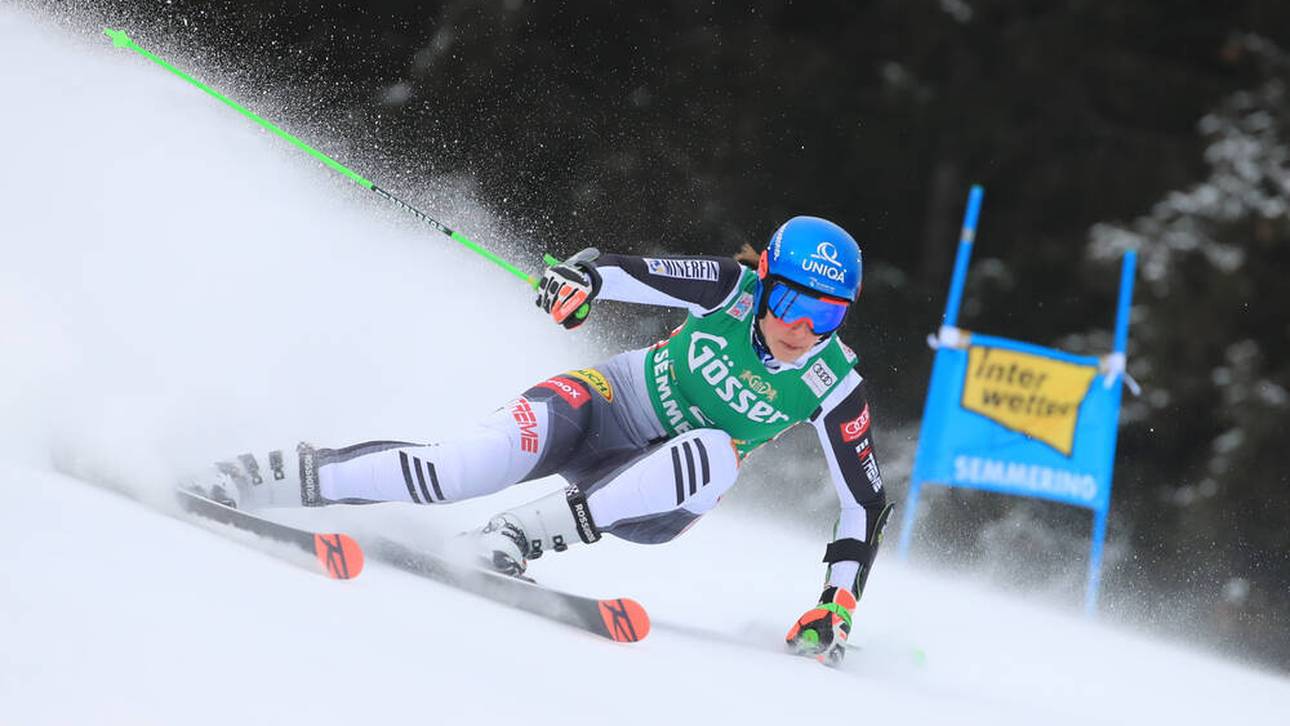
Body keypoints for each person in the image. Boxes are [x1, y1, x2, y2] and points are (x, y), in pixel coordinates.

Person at [192, 215, 892, 664]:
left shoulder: (831, 382)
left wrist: (838, 602)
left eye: (827, 312)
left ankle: (511, 539)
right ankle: (264, 475)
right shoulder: (731, 290)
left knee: (714, 454)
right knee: (455, 470)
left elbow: (864, 504)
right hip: (605, 405)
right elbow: (625, 271)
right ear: (767, 281)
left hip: (655, 497)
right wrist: (579, 280)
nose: (803, 328)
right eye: (794, 301)